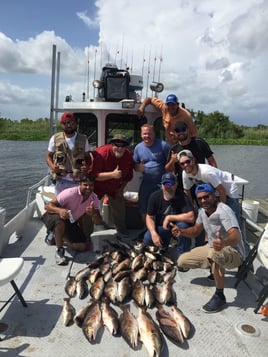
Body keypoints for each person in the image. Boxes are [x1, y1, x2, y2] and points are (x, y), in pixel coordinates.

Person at [171, 183, 246, 313]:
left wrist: (224, 242)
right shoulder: (202, 212)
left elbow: (236, 235)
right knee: (182, 261)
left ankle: (220, 295)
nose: (203, 201)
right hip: (211, 247)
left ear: (214, 195)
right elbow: (195, 231)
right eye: (200, 199)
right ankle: (214, 267)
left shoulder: (224, 211)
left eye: (206, 197)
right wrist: (182, 232)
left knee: (215, 254)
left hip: (233, 251)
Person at [42, 173, 102, 265]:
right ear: (80, 184)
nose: (88, 188)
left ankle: (57, 236)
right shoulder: (69, 193)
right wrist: (60, 210)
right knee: (59, 221)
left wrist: (94, 213)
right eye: (85, 185)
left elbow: (98, 222)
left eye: (91, 185)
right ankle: (59, 250)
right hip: (53, 215)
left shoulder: (94, 199)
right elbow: (47, 206)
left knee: (82, 247)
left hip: (70, 221)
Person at [91, 134, 134, 238]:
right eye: (116, 145)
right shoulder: (101, 153)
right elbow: (94, 176)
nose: (119, 148)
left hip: (114, 187)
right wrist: (112, 175)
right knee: (91, 207)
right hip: (97, 186)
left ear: (126, 147)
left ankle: (121, 229)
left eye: (122, 145)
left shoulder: (128, 156)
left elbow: (128, 176)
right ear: (111, 144)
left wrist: (121, 189)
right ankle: (90, 228)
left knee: (119, 205)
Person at [143, 172, 195, 259]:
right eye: (165, 184)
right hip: (163, 228)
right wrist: (153, 233)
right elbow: (149, 217)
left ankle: (183, 255)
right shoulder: (155, 196)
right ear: (162, 185)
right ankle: (164, 246)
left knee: (183, 226)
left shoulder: (182, 196)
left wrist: (170, 217)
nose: (168, 187)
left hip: (178, 228)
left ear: (176, 185)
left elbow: (191, 217)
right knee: (148, 238)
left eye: (170, 184)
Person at [45, 112, 92, 194]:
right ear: (61, 124)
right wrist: (53, 167)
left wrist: (86, 166)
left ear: (76, 124)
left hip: (77, 181)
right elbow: (48, 156)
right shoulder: (54, 138)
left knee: (76, 205)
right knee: (60, 205)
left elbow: (88, 157)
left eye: (71, 122)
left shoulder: (84, 139)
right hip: (61, 181)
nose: (69, 125)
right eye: (65, 123)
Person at [133, 124, 170, 222]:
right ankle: (147, 229)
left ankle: (162, 227)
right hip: (147, 182)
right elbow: (135, 166)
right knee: (143, 206)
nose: (147, 136)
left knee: (163, 206)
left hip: (162, 182)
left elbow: (171, 164)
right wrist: (138, 168)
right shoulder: (138, 148)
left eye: (149, 133)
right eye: (144, 133)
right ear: (141, 135)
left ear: (154, 134)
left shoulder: (163, 145)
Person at [165, 121, 217, 188]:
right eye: (178, 130)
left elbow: (211, 161)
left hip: (202, 182)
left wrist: (213, 179)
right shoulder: (173, 149)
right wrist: (172, 160)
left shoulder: (199, 142)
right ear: (175, 133)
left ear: (188, 130)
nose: (181, 132)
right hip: (184, 185)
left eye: (183, 129)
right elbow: (168, 170)